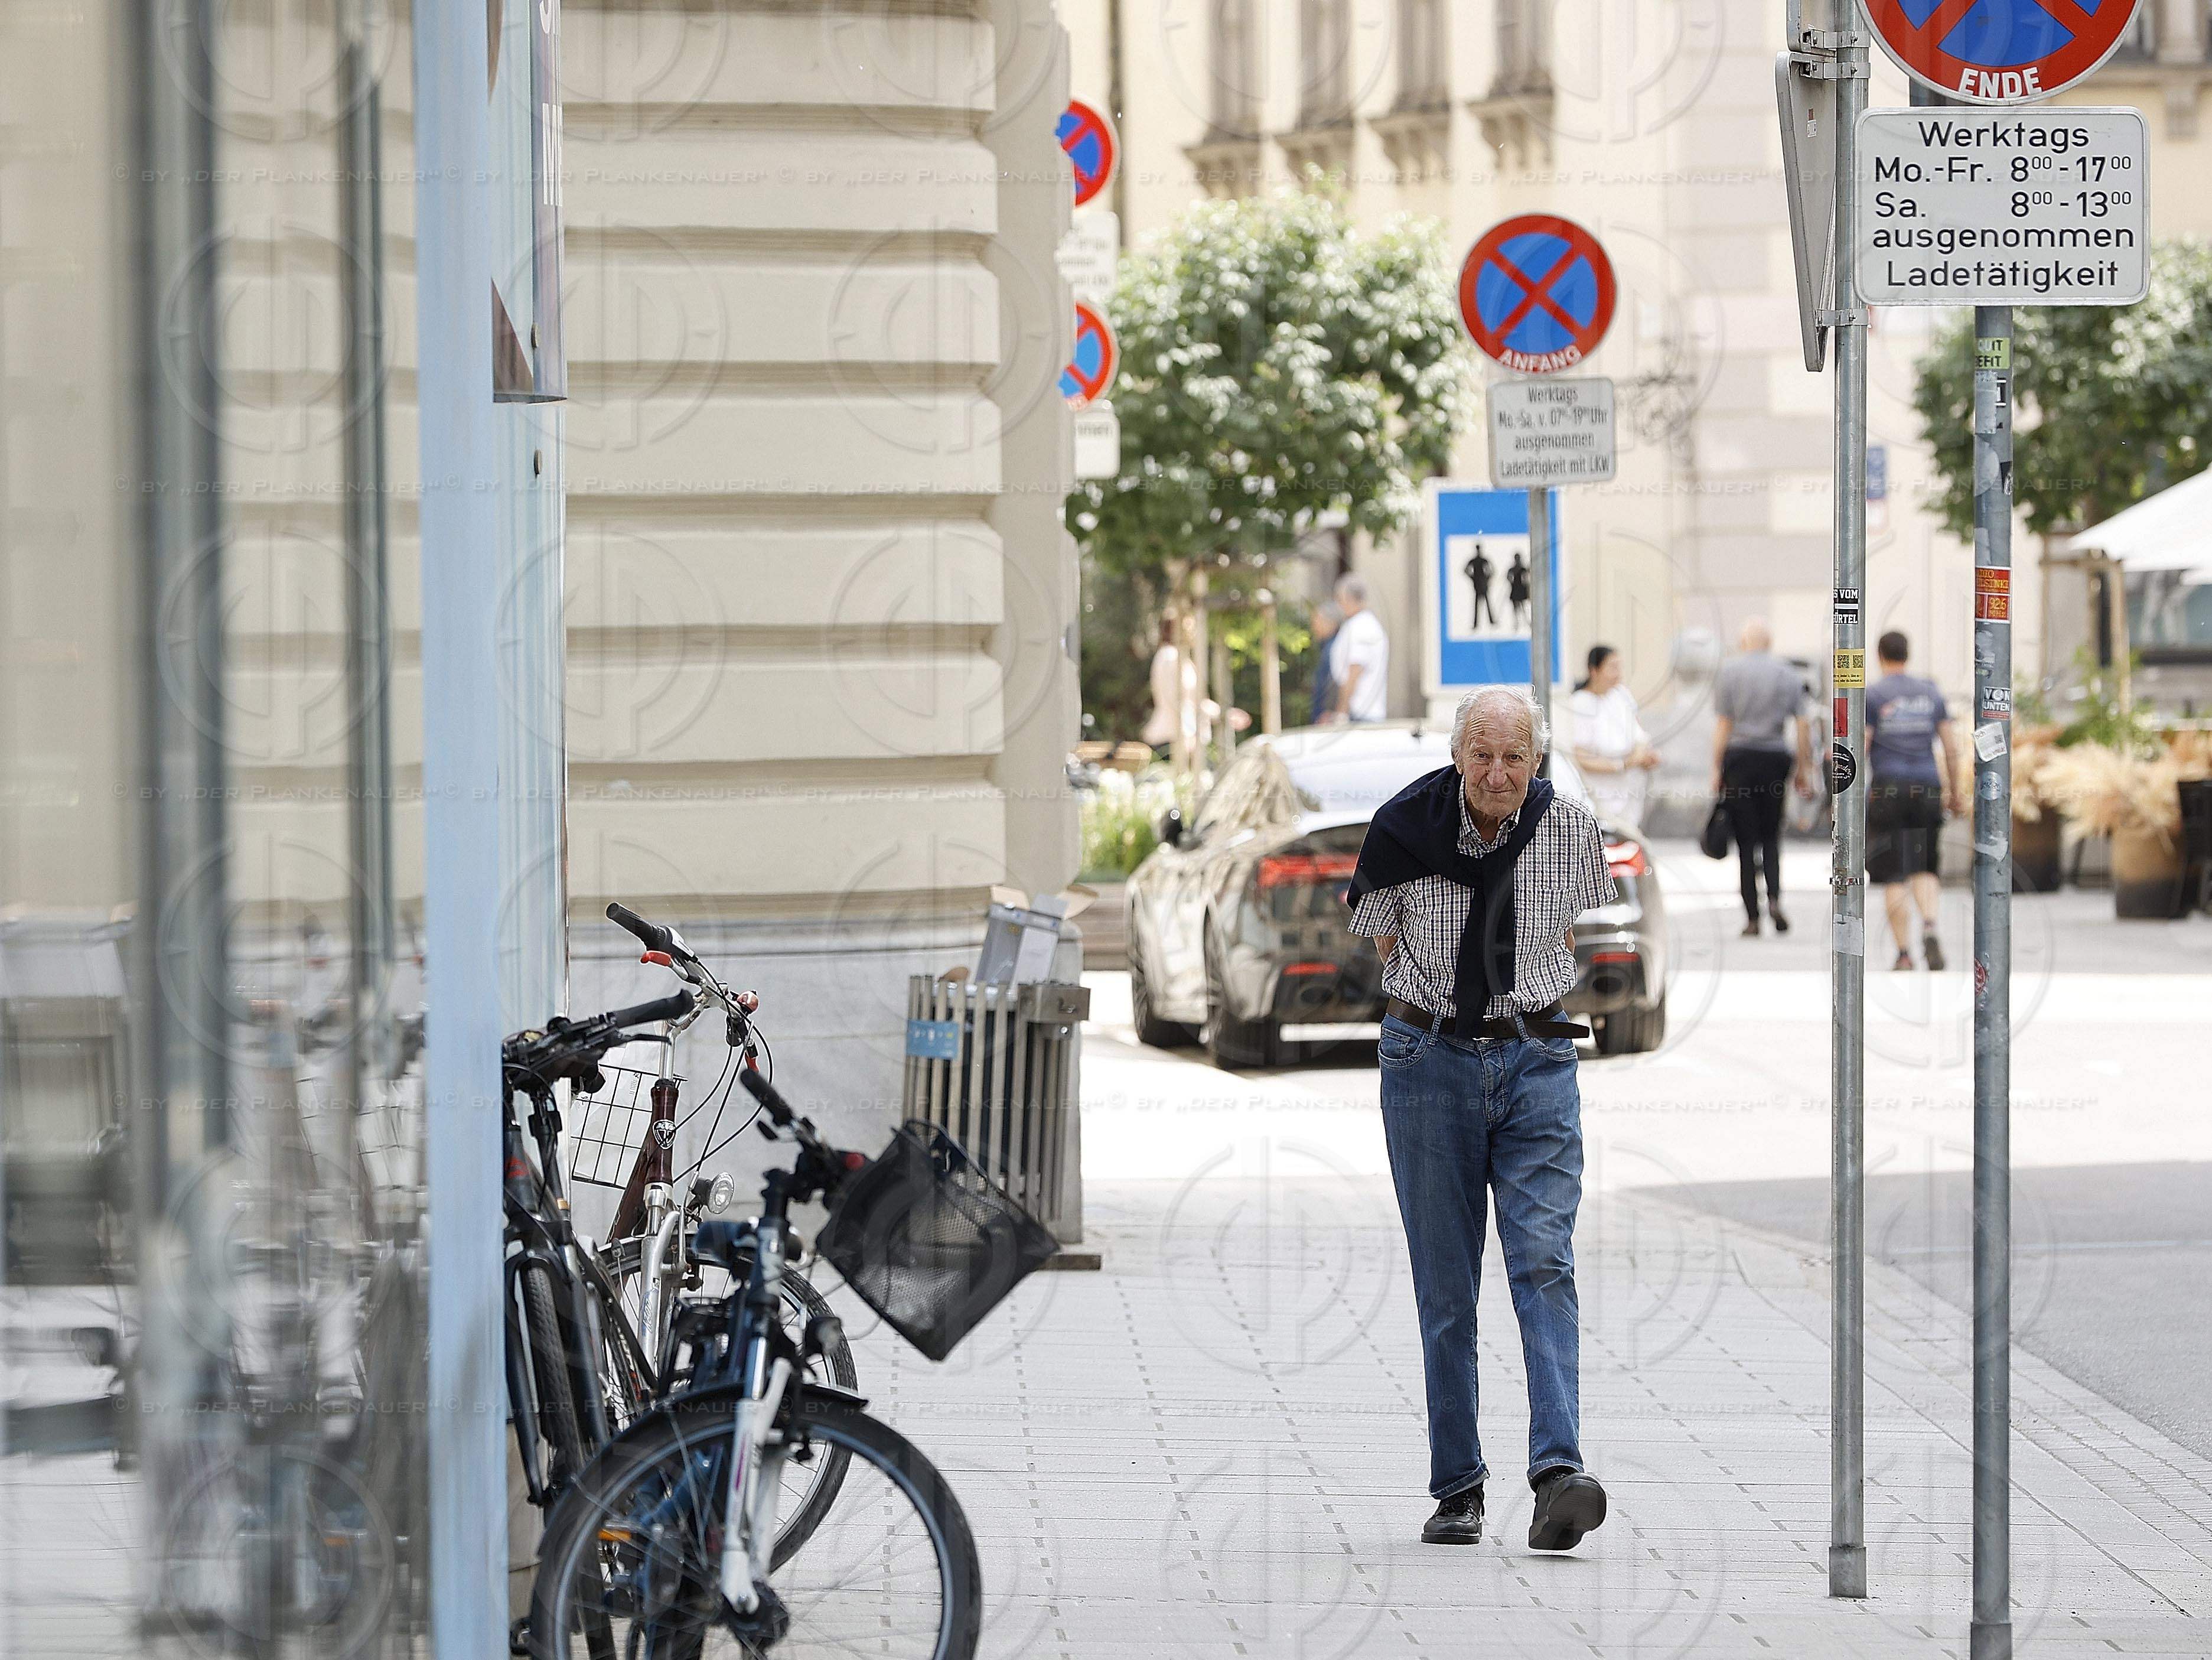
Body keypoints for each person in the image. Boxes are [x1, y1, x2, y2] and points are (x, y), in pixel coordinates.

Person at [1344, 685, 1617, 1554]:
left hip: (1538, 1058)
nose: (1498, 774)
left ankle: (1556, 1474)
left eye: (1515, 758)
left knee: (1544, 1261)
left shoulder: (1571, 829)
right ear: (1457, 755)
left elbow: (1566, 926)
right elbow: (1384, 940)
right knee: (1447, 1285)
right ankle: (1457, 1486)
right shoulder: (1401, 826)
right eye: (1482, 756)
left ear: (1535, 761)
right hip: (1428, 1064)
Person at [1866, 630, 1966, 971]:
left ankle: (1904, 954)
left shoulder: (1874, 695)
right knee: (1924, 866)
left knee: (1893, 874)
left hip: (1888, 789)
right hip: (1927, 786)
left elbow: (1861, 746)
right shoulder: (1930, 693)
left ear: (1881, 656)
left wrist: (1845, 798)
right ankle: (1930, 926)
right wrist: (1955, 792)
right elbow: (1950, 748)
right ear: (1907, 655)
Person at [1711, 619, 1814, 936]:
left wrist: (1716, 769)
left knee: (1745, 842)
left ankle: (1752, 917)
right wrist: (1803, 768)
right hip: (1774, 759)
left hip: (1740, 760)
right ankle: (1774, 899)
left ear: (1744, 642)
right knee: (1771, 836)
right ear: (1769, 643)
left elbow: (1724, 726)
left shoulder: (1729, 673)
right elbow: (1802, 725)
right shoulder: (1787, 674)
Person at [1568, 645, 1660, 830]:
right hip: (1600, 795)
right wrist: (1622, 765)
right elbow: (1581, 756)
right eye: (1612, 668)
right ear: (1594, 670)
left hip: (1630, 793)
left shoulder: (1621, 696)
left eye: (1619, 668)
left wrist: (1642, 757)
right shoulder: (1580, 704)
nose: (1617, 674)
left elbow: (1639, 735)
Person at [1324, 573, 1389, 724]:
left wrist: (1342, 712)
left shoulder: (1361, 628)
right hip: (1363, 712)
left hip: (1360, 714)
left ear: (1348, 599)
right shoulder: (1362, 625)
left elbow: (1354, 671)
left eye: (1339, 599)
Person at [1307, 600, 1342, 727]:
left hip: (1326, 717)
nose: (1313, 627)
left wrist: (1330, 711)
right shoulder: (1326, 647)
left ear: (1330, 623)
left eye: (1316, 621)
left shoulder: (1334, 648)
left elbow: (1335, 681)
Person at [1462, 545, 1498, 628]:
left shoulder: (1482, 560)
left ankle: (1489, 622)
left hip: (1482, 583)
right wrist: (1473, 578)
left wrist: (1487, 579)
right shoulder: (1476, 561)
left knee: (1486, 604)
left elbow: (1491, 571)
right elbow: (1466, 570)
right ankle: (1477, 624)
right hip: (1479, 583)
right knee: (1478, 604)